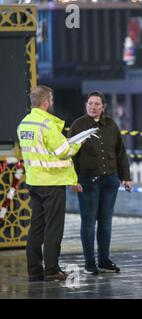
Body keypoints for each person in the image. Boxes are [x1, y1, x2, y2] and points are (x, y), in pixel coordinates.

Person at [17, 85, 81, 281]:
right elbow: (64, 150)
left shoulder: (24, 124)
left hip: (34, 181)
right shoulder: (46, 124)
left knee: (36, 227)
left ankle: (34, 270)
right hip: (52, 183)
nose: (52, 103)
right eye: (51, 100)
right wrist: (78, 142)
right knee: (53, 227)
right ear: (45, 103)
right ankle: (52, 269)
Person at [68, 91, 132, 275]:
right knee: (88, 223)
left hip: (110, 181)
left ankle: (104, 260)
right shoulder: (78, 125)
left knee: (106, 222)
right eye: (90, 103)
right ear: (86, 105)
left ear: (103, 107)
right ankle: (89, 263)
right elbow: (69, 155)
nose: (92, 107)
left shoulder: (111, 125)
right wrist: (72, 180)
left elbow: (121, 153)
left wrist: (125, 177)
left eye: (96, 104)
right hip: (87, 182)